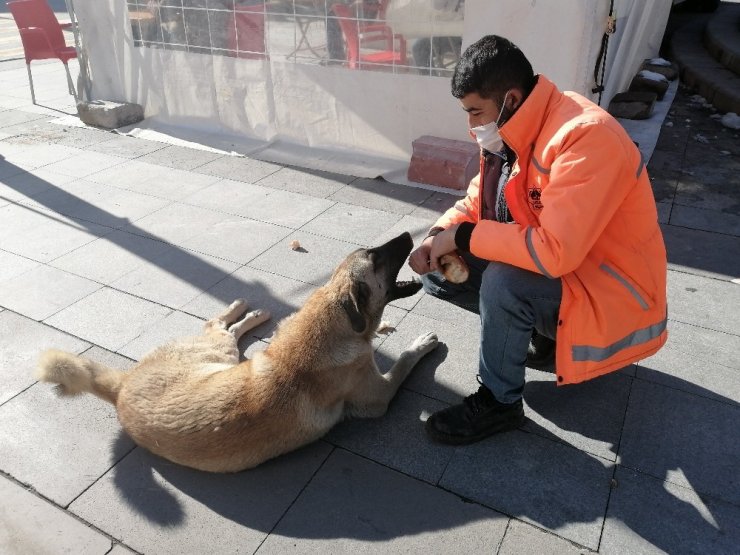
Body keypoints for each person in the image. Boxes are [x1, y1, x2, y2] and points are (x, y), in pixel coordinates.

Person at [408, 35, 668, 445]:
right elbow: (480, 201)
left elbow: (555, 253)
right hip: (570, 272)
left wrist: (463, 235)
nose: (471, 124)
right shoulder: (510, 130)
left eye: (475, 111)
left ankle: (499, 403)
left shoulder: (585, 137)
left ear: (510, 99)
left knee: (504, 282)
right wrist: (440, 235)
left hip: (611, 294)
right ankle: (543, 337)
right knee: (439, 270)